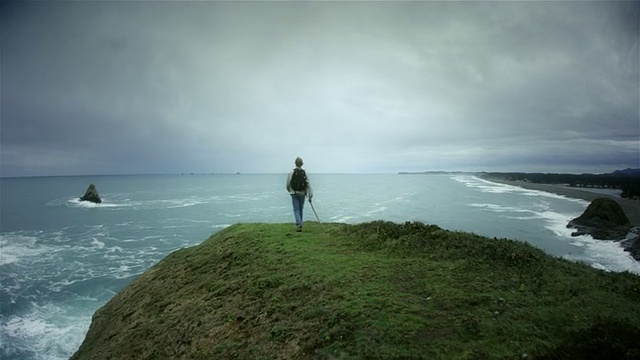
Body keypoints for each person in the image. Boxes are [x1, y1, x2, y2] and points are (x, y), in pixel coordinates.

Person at [286, 157, 313, 232]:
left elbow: (288, 183)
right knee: (301, 209)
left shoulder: (291, 172)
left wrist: (289, 190)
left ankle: (299, 224)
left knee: (296, 209)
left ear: (295, 163)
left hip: (294, 193)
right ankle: (300, 223)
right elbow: (308, 185)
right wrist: (310, 196)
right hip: (302, 193)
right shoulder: (305, 173)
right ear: (302, 164)